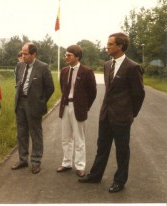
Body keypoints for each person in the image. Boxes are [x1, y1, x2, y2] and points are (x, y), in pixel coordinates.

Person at [78, 32, 145, 193]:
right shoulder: (107, 65)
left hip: (122, 116)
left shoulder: (132, 67)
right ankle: (95, 175)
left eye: (110, 44)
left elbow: (139, 94)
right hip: (106, 114)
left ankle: (119, 181)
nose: (106, 46)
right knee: (102, 146)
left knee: (122, 150)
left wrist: (131, 113)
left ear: (120, 46)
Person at [11, 43, 54, 174]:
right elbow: (18, 82)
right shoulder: (19, 66)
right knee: (21, 133)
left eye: (25, 54)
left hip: (34, 105)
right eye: (22, 53)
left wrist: (41, 102)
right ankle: (23, 160)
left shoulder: (43, 67)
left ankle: (36, 161)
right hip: (20, 104)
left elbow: (50, 88)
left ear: (33, 54)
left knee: (35, 133)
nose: (22, 56)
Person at [57, 45, 97, 177]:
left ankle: (80, 166)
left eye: (69, 55)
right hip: (66, 107)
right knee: (65, 138)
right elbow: (63, 89)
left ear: (77, 57)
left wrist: (85, 107)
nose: (66, 57)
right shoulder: (63, 71)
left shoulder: (86, 71)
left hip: (78, 108)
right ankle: (66, 163)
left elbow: (92, 92)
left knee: (79, 138)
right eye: (65, 55)